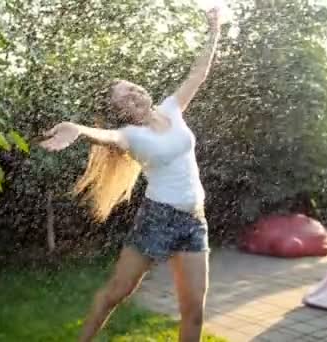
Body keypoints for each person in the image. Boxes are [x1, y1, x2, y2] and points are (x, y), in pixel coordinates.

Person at [40, 7, 223, 342]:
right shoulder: (131, 136)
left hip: (195, 221)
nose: (134, 94)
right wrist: (76, 129)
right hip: (158, 218)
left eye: (133, 87)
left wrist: (214, 30)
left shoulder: (172, 108)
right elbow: (107, 136)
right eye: (124, 96)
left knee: (194, 310)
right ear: (120, 112)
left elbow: (199, 73)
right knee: (116, 293)